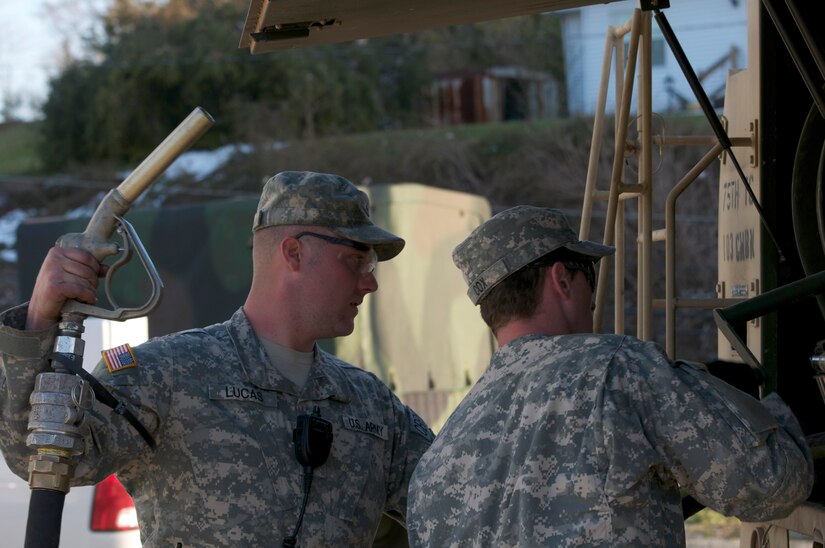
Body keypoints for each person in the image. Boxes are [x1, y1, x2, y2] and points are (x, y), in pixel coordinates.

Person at [0, 171, 434, 546]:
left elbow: (458, 498)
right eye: (355, 260)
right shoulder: (168, 375)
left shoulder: (371, 404)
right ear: (294, 253)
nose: (369, 282)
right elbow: (39, 455)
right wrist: (39, 319)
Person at [406, 205, 813, 547]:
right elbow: (772, 483)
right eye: (590, 276)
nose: (594, 298)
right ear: (561, 278)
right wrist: (771, 408)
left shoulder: (438, 458)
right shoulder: (618, 370)